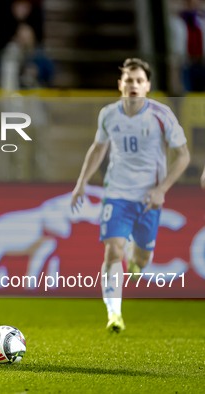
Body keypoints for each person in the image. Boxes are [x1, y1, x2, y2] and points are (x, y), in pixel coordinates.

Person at [71, 58, 190, 333]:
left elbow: (183, 156)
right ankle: (114, 314)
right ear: (120, 85)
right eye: (129, 80)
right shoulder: (108, 114)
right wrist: (81, 183)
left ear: (147, 85)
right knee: (113, 250)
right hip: (116, 195)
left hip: (149, 198)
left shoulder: (162, 114)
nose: (133, 85)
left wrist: (161, 190)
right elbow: (98, 148)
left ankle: (137, 264)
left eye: (139, 81)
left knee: (142, 258)